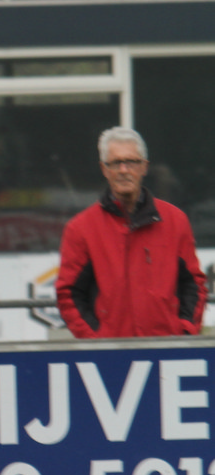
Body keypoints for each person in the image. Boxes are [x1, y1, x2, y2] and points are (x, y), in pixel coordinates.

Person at [56, 126, 206, 339]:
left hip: (168, 350)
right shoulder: (80, 229)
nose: (124, 170)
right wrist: (97, 342)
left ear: (145, 167)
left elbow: (194, 285)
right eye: (115, 163)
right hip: (109, 354)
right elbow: (69, 295)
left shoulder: (175, 221)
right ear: (104, 169)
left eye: (131, 162)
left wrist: (183, 332)